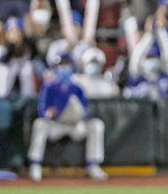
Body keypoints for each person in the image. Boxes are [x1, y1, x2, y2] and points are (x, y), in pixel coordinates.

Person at [27, 53, 108, 182]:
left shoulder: (77, 87)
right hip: (57, 124)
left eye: (66, 65)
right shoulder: (49, 87)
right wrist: (48, 113)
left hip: (75, 125)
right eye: (61, 65)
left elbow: (86, 111)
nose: (64, 68)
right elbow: (42, 110)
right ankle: (35, 165)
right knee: (39, 124)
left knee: (96, 125)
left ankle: (93, 165)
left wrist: (80, 114)